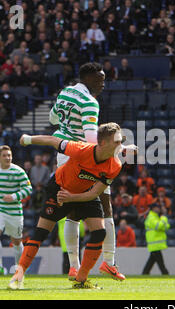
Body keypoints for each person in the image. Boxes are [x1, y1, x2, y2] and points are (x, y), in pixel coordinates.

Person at [9, 123, 125, 289]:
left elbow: (94, 193)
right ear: (103, 143)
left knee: (99, 233)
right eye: (117, 141)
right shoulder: (81, 149)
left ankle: (81, 279)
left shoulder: (115, 165)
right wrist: (28, 139)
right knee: (41, 233)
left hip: (83, 194)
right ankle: (18, 273)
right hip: (59, 189)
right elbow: (53, 140)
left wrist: (73, 197)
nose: (120, 146)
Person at [49, 62, 126, 282]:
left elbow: (53, 119)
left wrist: (68, 128)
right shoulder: (89, 101)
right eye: (100, 79)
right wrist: (119, 148)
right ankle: (109, 263)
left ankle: (74, 266)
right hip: (85, 156)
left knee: (72, 212)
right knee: (105, 206)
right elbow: (93, 140)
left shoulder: (65, 93)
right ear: (89, 78)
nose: (103, 83)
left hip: (64, 154)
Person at [0, 145, 32, 277]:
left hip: (14, 211)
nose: (7, 157)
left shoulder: (18, 171)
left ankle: (18, 267)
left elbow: (28, 189)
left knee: (16, 241)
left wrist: (14, 196)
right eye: (4, 155)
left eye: (9, 155)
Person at [142, 203, 170, 275]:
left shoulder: (156, 217)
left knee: (152, 261)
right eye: (157, 207)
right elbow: (159, 226)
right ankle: (165, 274)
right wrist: (164, 218)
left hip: (155, 244)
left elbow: (167, 227)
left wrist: (162, 222)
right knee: (160, 263)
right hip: (154, 243)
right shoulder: (151, 217)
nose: (158, 209)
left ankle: (145, 273)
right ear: (153, 209)